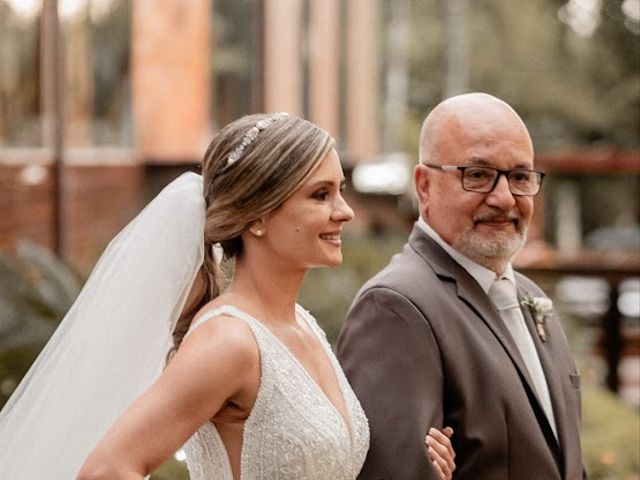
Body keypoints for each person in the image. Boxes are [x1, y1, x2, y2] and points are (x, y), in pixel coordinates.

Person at [0, 113, 455, 479]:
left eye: (339, 191)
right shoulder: (229, 342)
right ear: (257, 215)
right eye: (320, 195)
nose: (346, 211)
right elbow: (106, 469)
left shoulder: (303, 323)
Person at [337, 93, 586, 479]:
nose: (504, 198)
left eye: (520, 177)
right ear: (424, 186)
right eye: (478, 175)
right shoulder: (395, 308)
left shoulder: (531, 296)